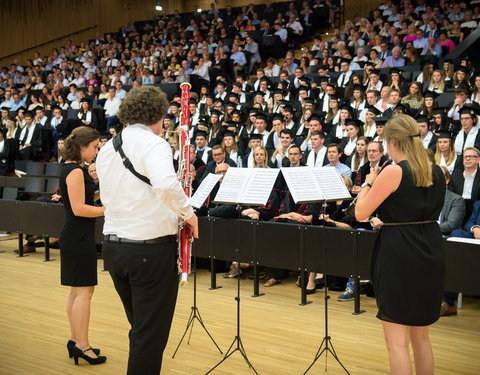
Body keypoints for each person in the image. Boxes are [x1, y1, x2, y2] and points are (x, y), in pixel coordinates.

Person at [96, 86, 198, 375]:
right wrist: (188, 214)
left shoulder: (108, 147)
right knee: (149, 336)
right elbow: (166, 185)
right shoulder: (154, 144)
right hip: (149, 251)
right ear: (160, 115)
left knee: (141, 330)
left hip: (114, 248)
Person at [355, 114, 446, 375]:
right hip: (430, 249)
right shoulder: (437, 170)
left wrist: (368, 182)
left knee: (396, 343)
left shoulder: (394, 170)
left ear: (392, 141)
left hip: (400, 254)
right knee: (421, 337)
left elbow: (361, 213)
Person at [59, 126, 106, 365]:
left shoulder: (72, 168)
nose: (96, 151)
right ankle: (82, 345)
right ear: (82, 146)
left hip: (75, 236)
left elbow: (85, 199)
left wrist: (102, 195)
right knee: (84, 293)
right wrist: (108, 209)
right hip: (78, 237)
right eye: (95, 146)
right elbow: (80, 208)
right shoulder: (76, 171)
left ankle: (76, 340)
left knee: (77, 292)